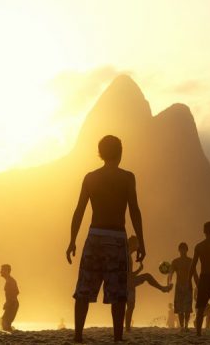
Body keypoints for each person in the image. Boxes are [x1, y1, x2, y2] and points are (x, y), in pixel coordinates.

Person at [65, 135, 146, 343]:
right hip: (117, 237)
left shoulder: (90, 177)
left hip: (94, 237)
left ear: (100, 153)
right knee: (118, 292)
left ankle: (78, 336)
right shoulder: (127, 177)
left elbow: (79, 211)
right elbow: (134, 211)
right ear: (120, 153)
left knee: (84, 289)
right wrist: (142, 242)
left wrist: (72, 240)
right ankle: (117, 338)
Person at [124, 235, 172, 331]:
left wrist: (138, 270)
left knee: (130, 307)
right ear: (133, 244)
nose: (138, 246)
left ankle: (127, 329)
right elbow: (128, 275)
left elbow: (129, 274)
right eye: (137, 244)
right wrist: (139, 271)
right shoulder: (127, 255)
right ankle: (163, 288)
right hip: (127, 283)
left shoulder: (127, 254)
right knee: (147, 276)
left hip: (128, 283)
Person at [168, 242, 193, 331]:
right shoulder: (175, 261)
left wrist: (198, 285)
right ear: (179, 250)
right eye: (181, 249)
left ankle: (186, 325)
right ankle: (182, 326)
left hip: (188, 286)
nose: (183, 251)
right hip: (179, 286)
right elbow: (170, 273)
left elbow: (195, 274)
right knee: (179, 308)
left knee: (187, 308)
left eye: (184, 249)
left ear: (187, 250)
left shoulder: (191, 261)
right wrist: (169, 283)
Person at [0, 264, 19, 332]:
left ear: (7, 271)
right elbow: (16, 292)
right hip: (12, 303)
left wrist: (8, 303)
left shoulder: (10, 281)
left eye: (2, 270)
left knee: (4, 323)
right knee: (4, 323)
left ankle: (11, 336)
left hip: (13, 304)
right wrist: (7, 302)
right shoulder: (9, 280)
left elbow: (15, 293)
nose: (0, 272)